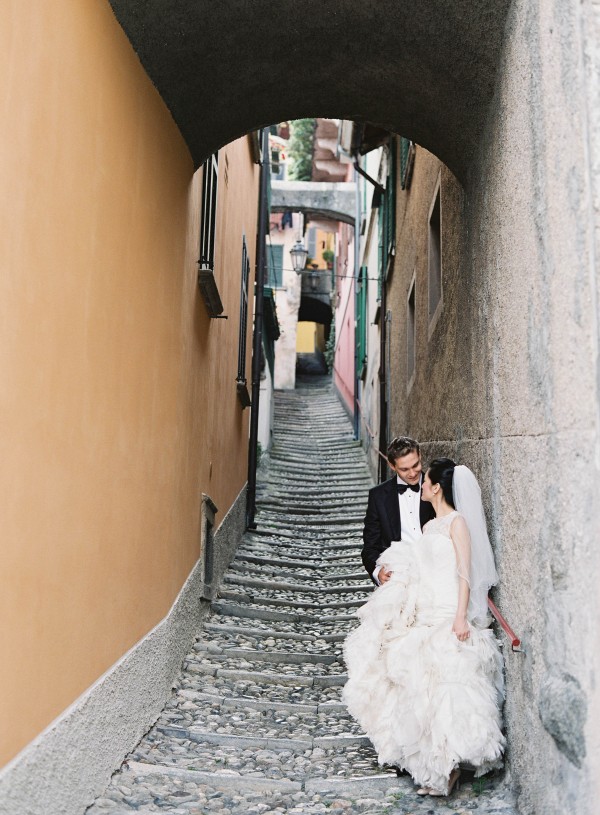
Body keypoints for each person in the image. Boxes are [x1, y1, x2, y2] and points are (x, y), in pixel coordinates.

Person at [343, 458, 505, 797]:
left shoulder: (457, 523)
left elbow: (465, 573)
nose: (421, 485)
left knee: (447, 687)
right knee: (422, 690)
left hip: (449, 613)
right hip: (426, 613)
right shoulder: (432, 526)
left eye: (426, 480)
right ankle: (434, 766)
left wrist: (461, 617)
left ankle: (449, 770)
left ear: (436, 487)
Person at [362, 437, 435, 584]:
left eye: (415, 465)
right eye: (404, 469)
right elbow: (370, 547)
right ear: (391, 465)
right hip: (399, 578)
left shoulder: (437, 487)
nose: (413, 473)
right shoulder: (378, 496)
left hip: (433, 573)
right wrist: (378, 572)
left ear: (420, 456)